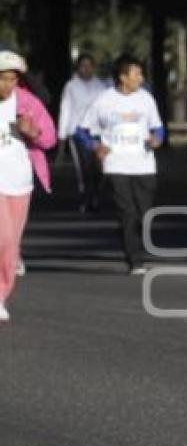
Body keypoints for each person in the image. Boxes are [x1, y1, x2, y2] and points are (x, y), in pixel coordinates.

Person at [80, 54, 164, 275]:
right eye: (137, 73)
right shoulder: (103, 100)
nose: (141, 77)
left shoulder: (146, 99)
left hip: (144, 164)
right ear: (123, 77)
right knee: (128, 212)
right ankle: (135, 260)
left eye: (141, 73)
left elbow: (158, 127)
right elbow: (82, 130)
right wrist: (95, 146)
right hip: (116, 164)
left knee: (144, 214)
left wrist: (157, 139)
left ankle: (127, 234)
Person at [0, 50, 56, 322]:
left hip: (20, 182)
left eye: (11, 79)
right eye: (1, 79)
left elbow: (50, 139)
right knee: (4, 238)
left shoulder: (27, 103)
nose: (6, 85)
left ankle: (1, 295)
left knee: (12, 246)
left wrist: (33, 132)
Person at [58, 53, 109, 213]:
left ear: (94, 67)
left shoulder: (101, 86)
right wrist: (62, 137)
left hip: (98, 131)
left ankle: (96, 193)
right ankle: (87, 197)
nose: (86, 69)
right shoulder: (71, 86)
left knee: (100, 167)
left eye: (89, 66)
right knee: (85, 166)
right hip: (78, 131)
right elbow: (65, 110)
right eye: (82, 66)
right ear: (78, 68)